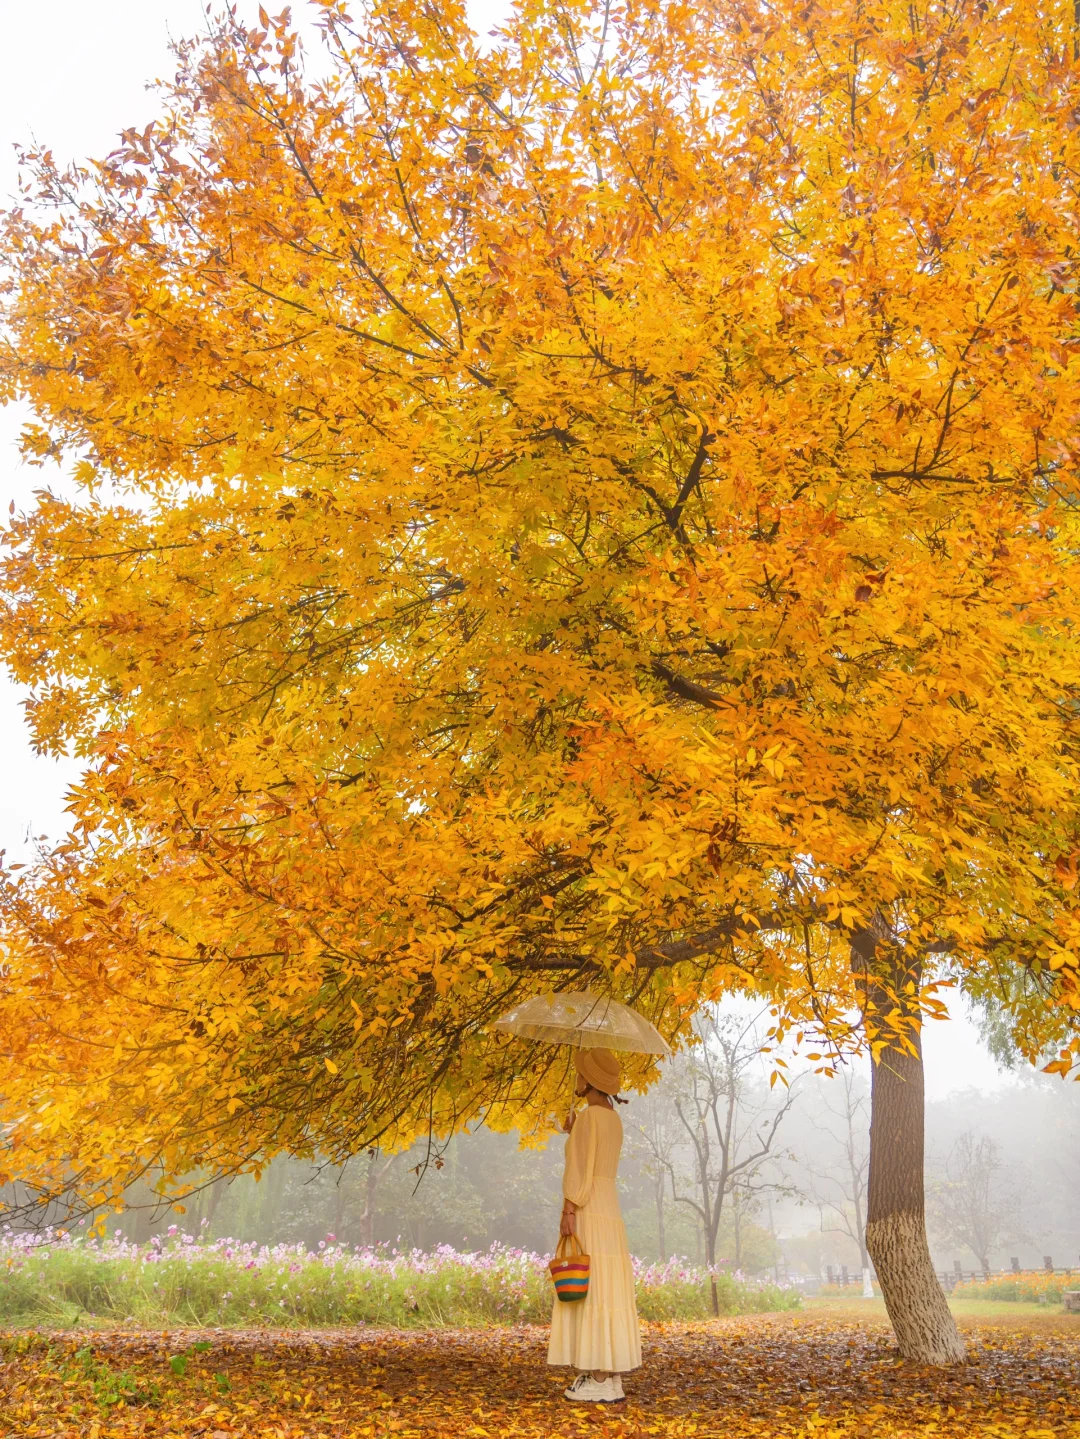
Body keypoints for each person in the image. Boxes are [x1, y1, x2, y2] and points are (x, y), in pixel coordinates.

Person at [548, 1047, 641, 1403]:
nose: (576, 1078)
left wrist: (568, 1210)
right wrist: (575, 1133)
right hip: (609, 1207)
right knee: (606, 1285)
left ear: (588, 1080)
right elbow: (595, 1159)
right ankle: (608, 1374)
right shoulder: (611, 1118)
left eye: (579, 1073)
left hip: (588, 1206)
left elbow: (580, 1172)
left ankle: (599, 1377)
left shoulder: (588, 1117)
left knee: (591, 1286)